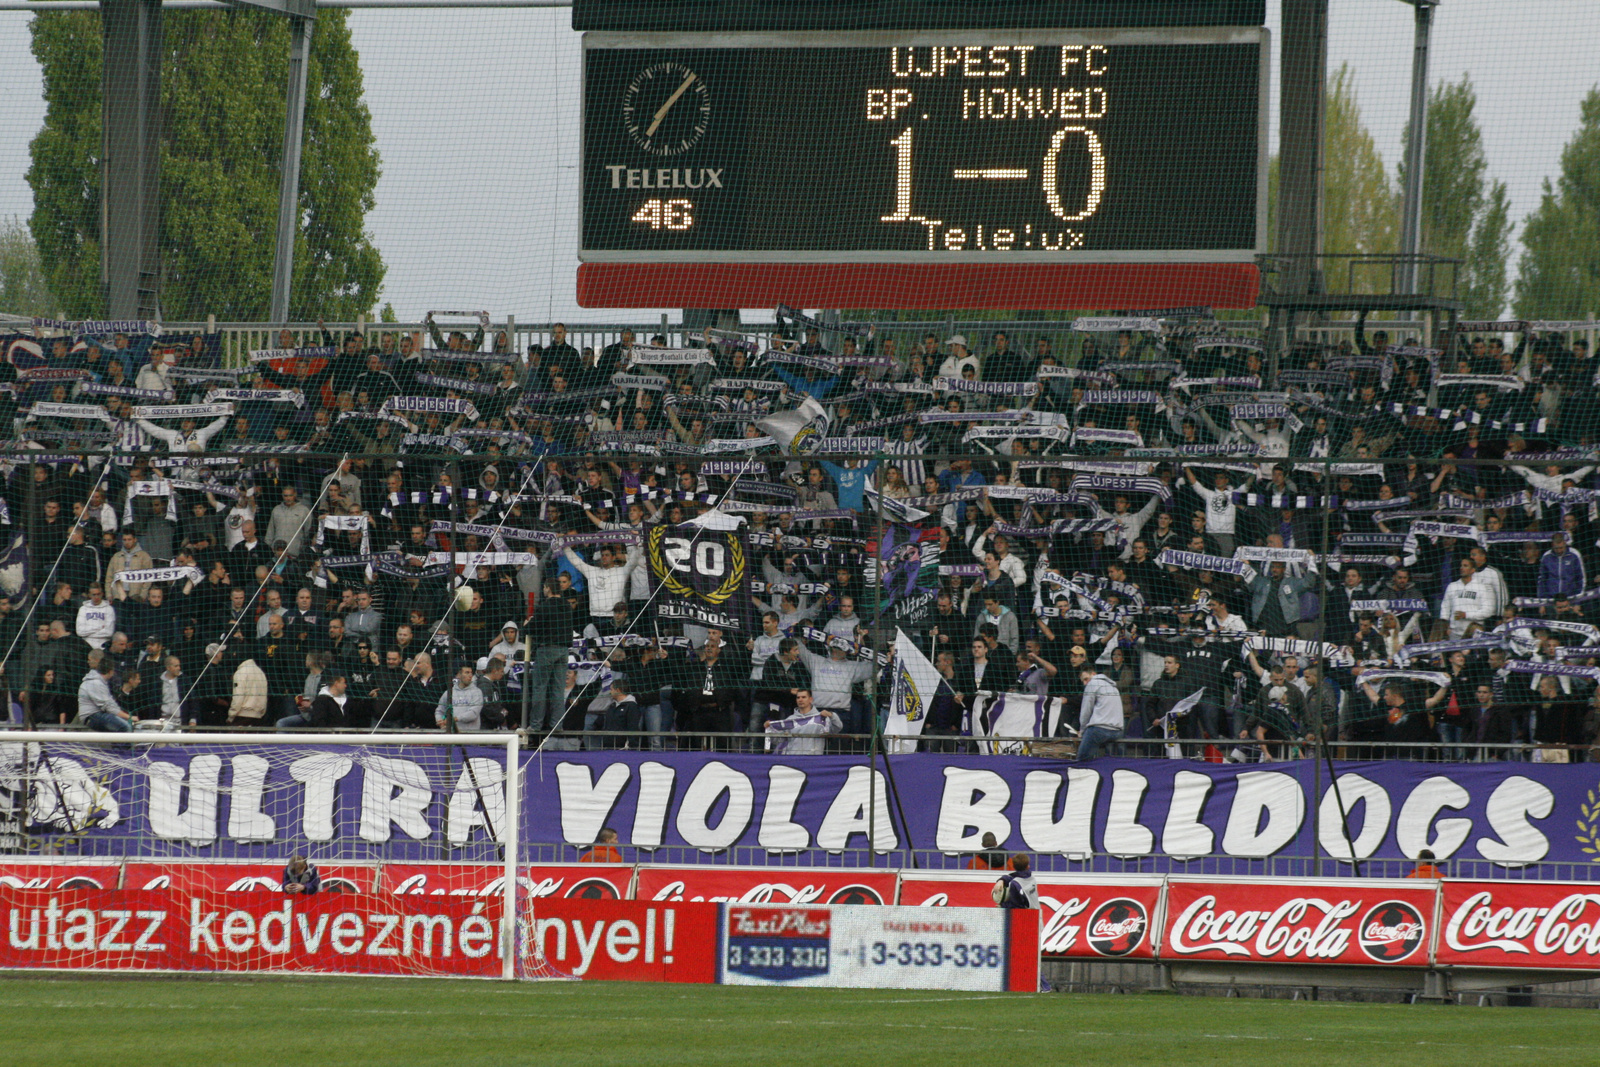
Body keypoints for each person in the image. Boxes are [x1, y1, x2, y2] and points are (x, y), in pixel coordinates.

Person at [1076, 664, 1123, 759]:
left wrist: (1082, 730)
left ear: (1093, 674)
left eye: (1086, 679)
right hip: (1117, 731)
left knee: (1081, 760)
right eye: (1083, 681)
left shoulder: (1093, 683)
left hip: (1099, 730)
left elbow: (1086, 710)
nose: (1085, 683)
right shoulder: (1113, 687)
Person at [78, 659, 132, 732]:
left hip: (97, 715)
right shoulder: (95, 683)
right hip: (92, 716)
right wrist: (128, 717)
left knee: (122, 724)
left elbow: (110, 703)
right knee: (124, 727)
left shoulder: (100, 682)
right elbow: (108, 706)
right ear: (110, 671)